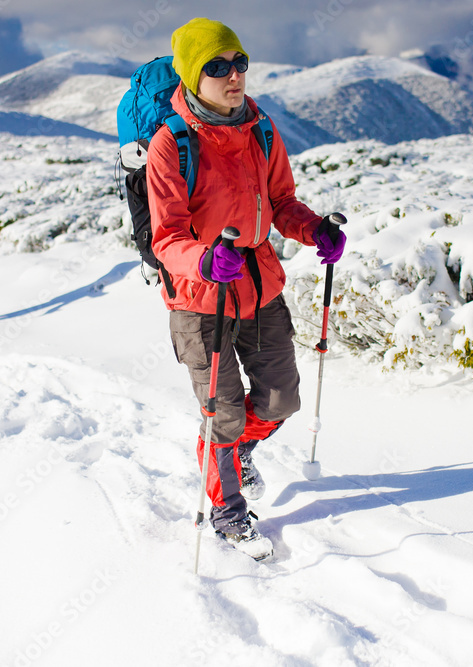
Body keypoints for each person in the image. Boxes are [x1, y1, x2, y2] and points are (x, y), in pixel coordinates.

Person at [147, 17, 347, 560]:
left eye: (239, 63)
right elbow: (165, 237)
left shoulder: (261, 128)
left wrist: (314, 229)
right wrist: (206, 259)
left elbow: (281, 201)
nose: (233, 75)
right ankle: (227, 510)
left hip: (259, 290)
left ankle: (237, 454)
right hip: (199, 298)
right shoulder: (172, 145)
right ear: (193, 76)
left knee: (281, 400)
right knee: (224, 414)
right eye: (217, 66)